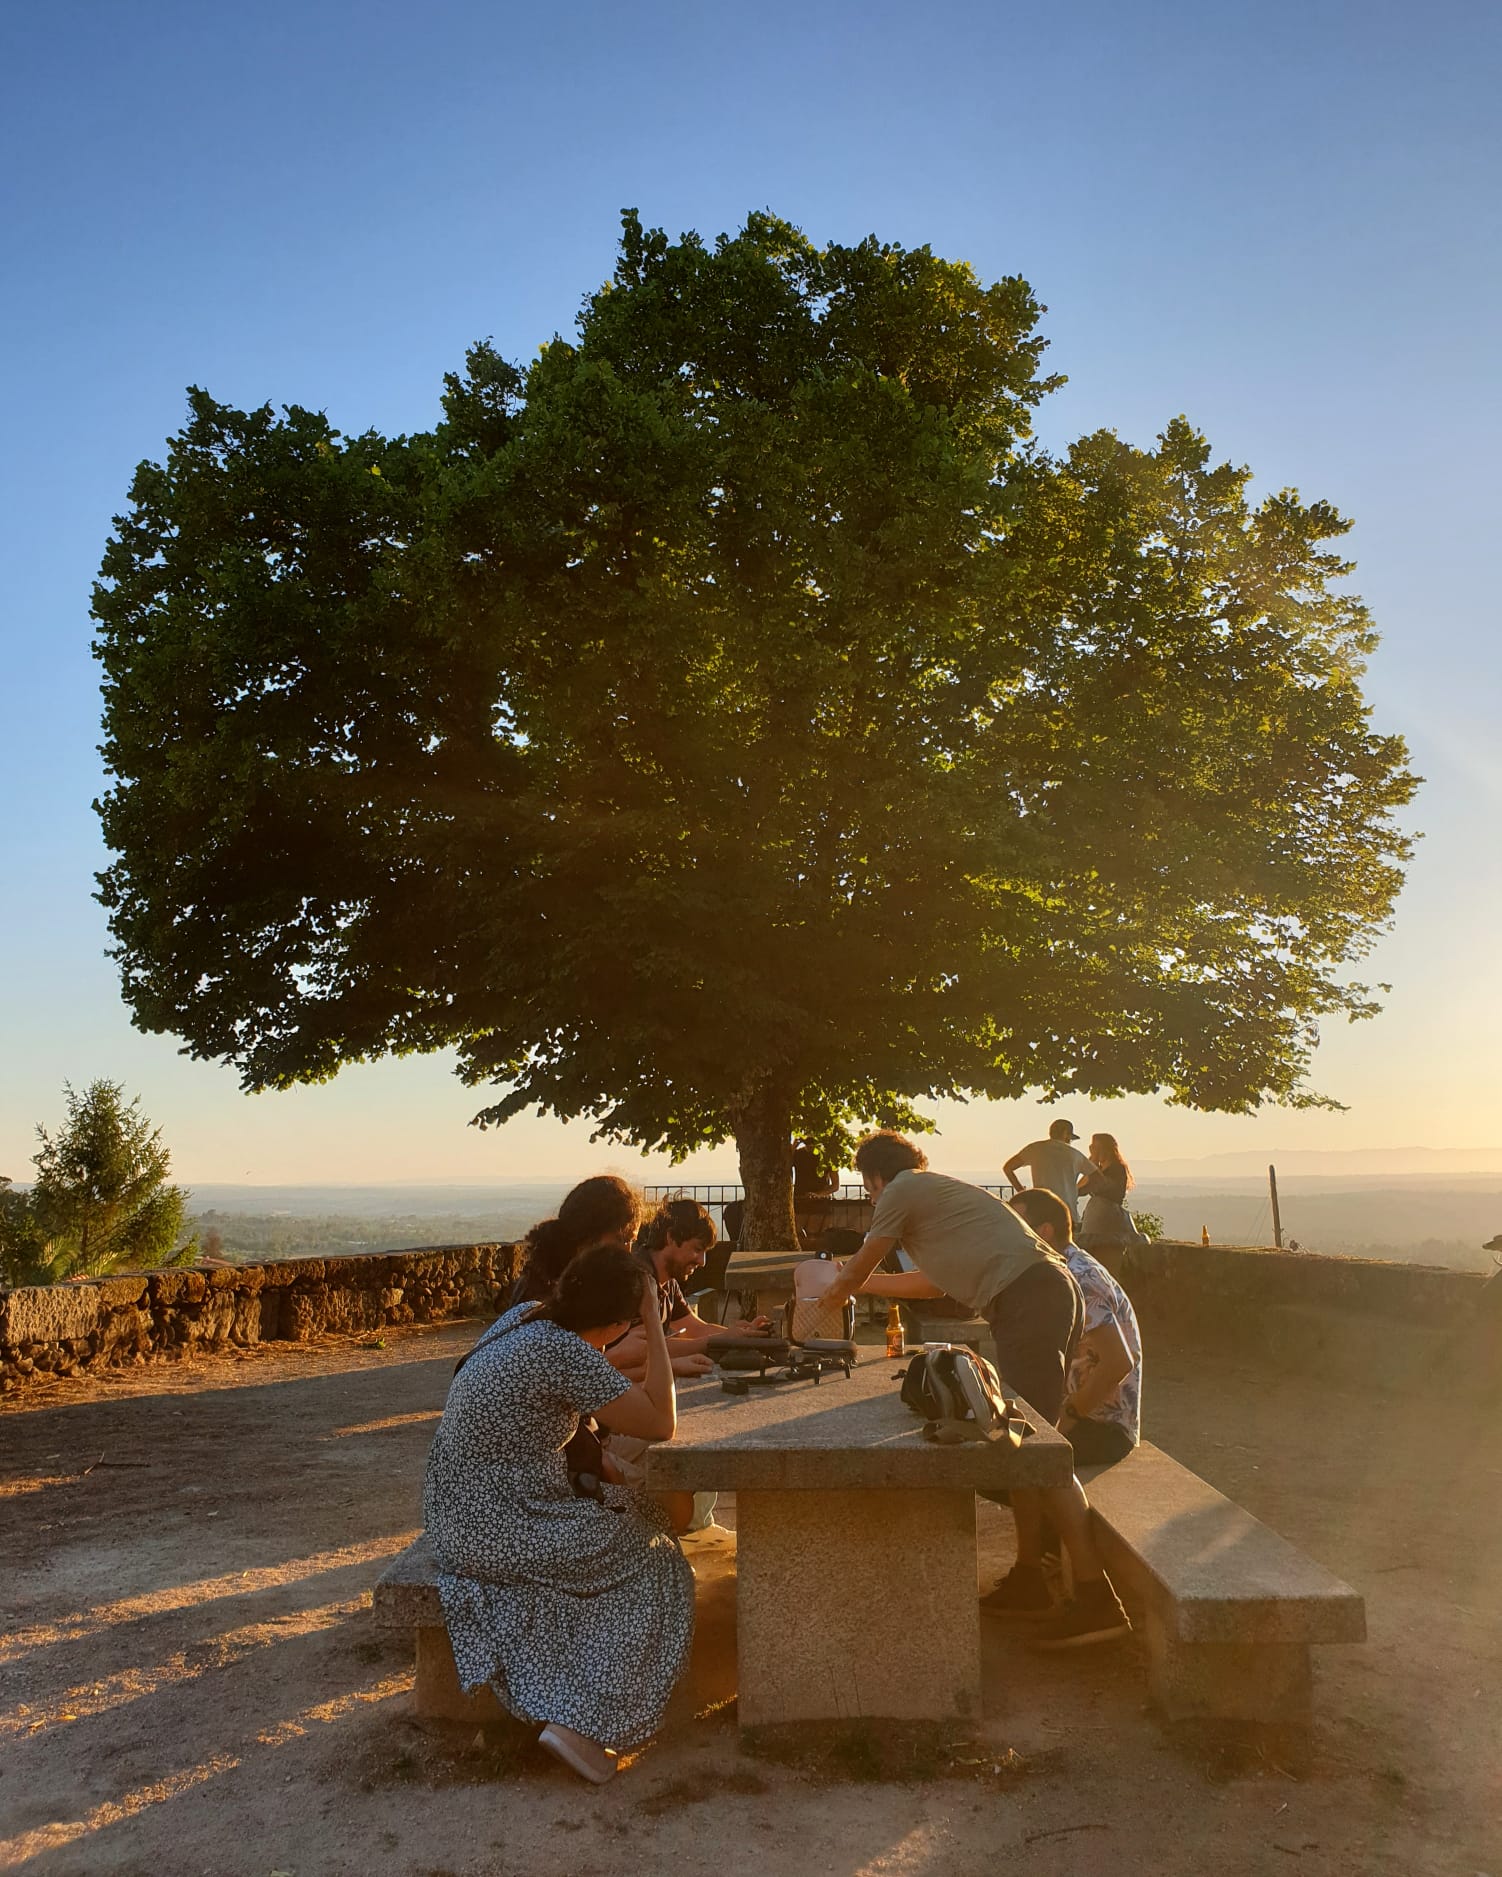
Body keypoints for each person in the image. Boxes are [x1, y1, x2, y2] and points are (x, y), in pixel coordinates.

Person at [820, 1131, 1130, 1648]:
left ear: (876, 1176)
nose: (872, 1196)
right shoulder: (934, 1202)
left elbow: (868, 1254)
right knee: (1021, 1441)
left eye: (868, 1187)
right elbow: (932, 1283)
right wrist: (856, 1283)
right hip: (1039, 1294)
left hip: (1031, 1298)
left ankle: (1097, 1598)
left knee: (1038, 1451)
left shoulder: (902, 1188)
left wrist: (830, 1292)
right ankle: (1031, 1578)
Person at [422, 1241, 693, 1786]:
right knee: (658, 1556)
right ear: (619, 1317)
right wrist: (654, 1323)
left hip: (459, 1510)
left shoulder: (524, 1319)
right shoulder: (564, 1353)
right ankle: (586, 1724)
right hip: (501, 1523)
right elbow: (662, 1423)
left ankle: (576, 1698)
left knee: (635, 1513)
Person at [607, 1196, 771, 1533]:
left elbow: (695, 1326)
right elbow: (637, 1350)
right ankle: (688, 1523)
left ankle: (699, 1521)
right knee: (689, 1438)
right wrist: (715, 1344)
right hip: (621, 1414)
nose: (702, 1259)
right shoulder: (638, 1280)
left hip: (639, 1398)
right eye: (696, 1249)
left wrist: (737, 1332)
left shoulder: (666, 1282)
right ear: (670, 1238)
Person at [511, 1176, 641, 1306]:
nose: (628, 1252)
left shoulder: (556, 1283)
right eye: (623, 1240)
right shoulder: (557, 1300)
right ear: (588, 1237)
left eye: (632, 1242)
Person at [1002, 1119, 1092, 1225]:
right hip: (1066, 1211)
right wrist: (1078, 1192)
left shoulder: (1035, 1148)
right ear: (1065, 1134)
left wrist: (1022, 1192)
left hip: (1040, 1209)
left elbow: (1008, 1168)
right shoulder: (1074, 1154)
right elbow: (1098, 1178)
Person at [1078, 1133, 1137, 1276]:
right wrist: (1092, 1162)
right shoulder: (1100, 1169)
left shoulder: (1117, 1169)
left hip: (1108, 1217)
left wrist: (1093, 1162)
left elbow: (1099, 1185)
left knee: (1106, 1257)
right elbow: (1079, 1189)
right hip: (1095, 1215)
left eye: (1098, 1148)